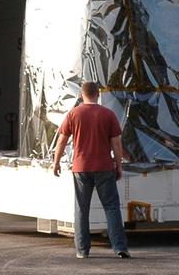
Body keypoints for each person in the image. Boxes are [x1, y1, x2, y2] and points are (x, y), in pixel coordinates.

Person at [52, 81, 130, 259]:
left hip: (81, 167)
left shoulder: (73, 114)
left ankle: (82, 250)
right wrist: (119, 165)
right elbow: (116, 143)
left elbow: (62, 141)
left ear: (81, 94)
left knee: (81, 208)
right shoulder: (108, 114)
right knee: (111, 207)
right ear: (98, 94)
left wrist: (56, 162)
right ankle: (120, 247)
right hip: (104, 167)